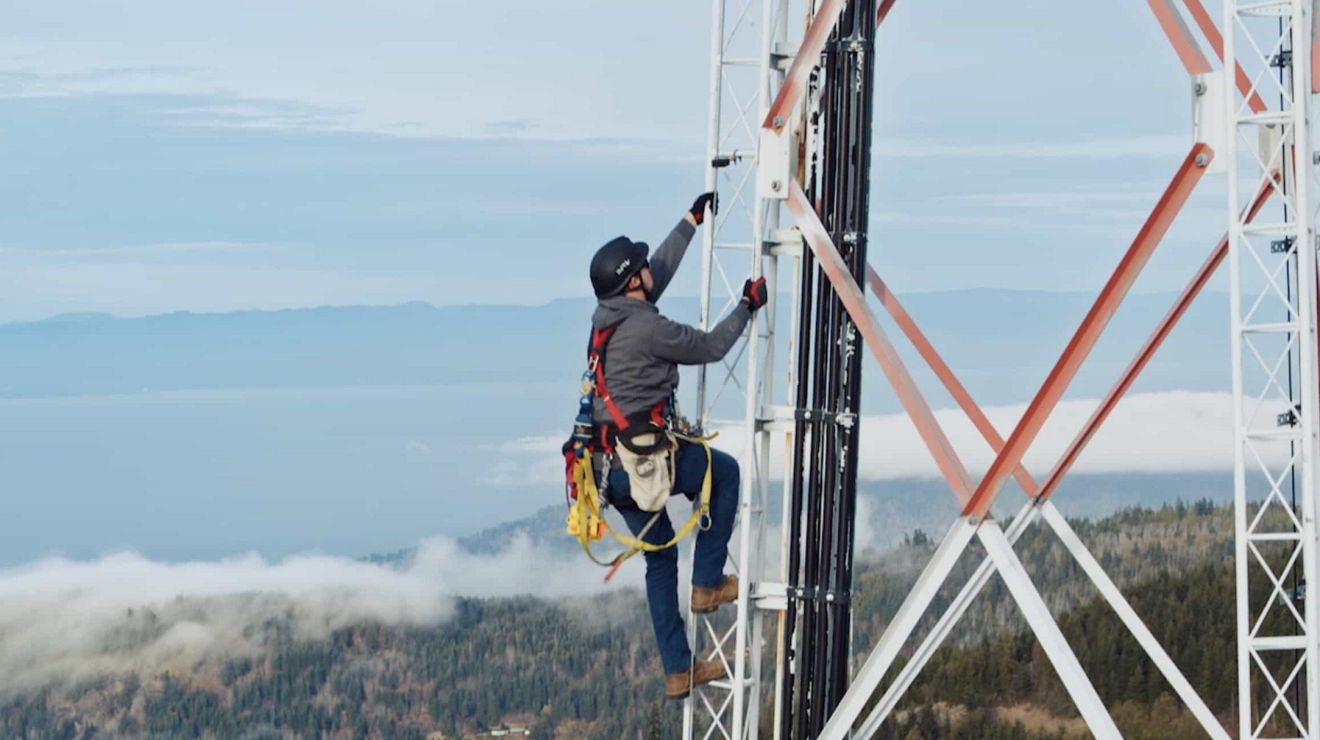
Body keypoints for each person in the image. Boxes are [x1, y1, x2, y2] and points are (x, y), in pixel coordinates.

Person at [586, 191, 769, 700]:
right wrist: (747, 307)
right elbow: (710, 346)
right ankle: (708, 581)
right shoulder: (647, 328)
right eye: (640, 268)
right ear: (631, 282)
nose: (650, 271)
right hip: (645, 462)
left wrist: (689, 223)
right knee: (723, 473)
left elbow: (652, 275)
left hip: (609, 469)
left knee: (660, 558)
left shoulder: (608, 317)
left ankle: (678, 670)